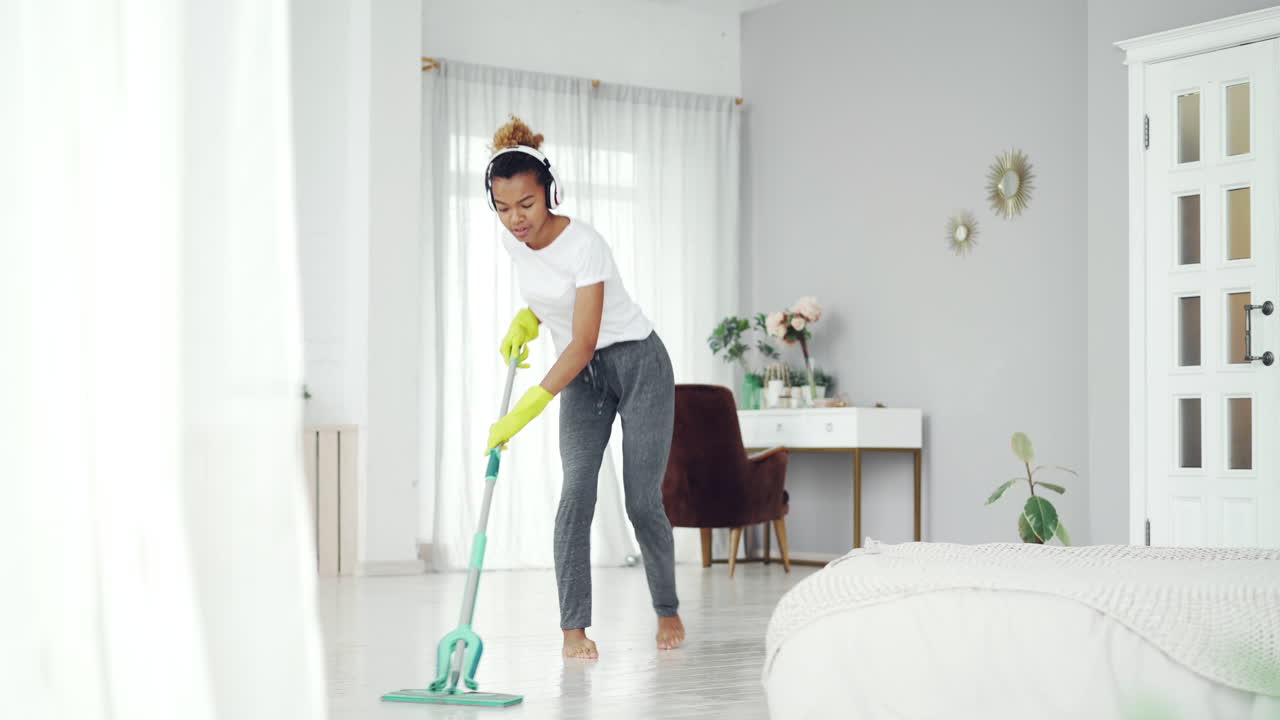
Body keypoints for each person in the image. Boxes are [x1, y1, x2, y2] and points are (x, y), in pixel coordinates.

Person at [483, 115, 684, 659]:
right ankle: (574, 629)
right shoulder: (515, 245)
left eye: (525, 204)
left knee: (642, 501)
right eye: (502, 208)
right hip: (584, 379)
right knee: (576, 495)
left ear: (548, 192)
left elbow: (584, 338)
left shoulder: (586, 244)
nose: (515, 219)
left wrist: (528, 408)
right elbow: (552, 299)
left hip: (637, 363)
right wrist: (527, 320)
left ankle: (666, 609)